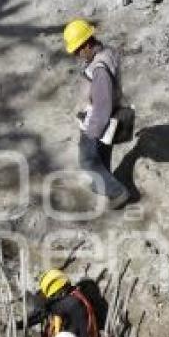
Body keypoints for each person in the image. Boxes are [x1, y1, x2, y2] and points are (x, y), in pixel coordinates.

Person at [63, 18, 130, 209]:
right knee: (102, 154)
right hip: (112, 118)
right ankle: (104, 183)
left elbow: (102, 104)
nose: (76, 54)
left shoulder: (99, 68)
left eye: (77, 50)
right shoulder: (107, 52)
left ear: (86, 44)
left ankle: (117, 192)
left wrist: (91, 131)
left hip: (99, 121)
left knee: (87, 160)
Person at [28, 268, 103, 337]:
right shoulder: (74, 295)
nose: (51, 298)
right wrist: (22, 323)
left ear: (61, 292)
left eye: (53, 295)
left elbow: (47, 310)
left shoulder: (72, 304)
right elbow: (44, 312)